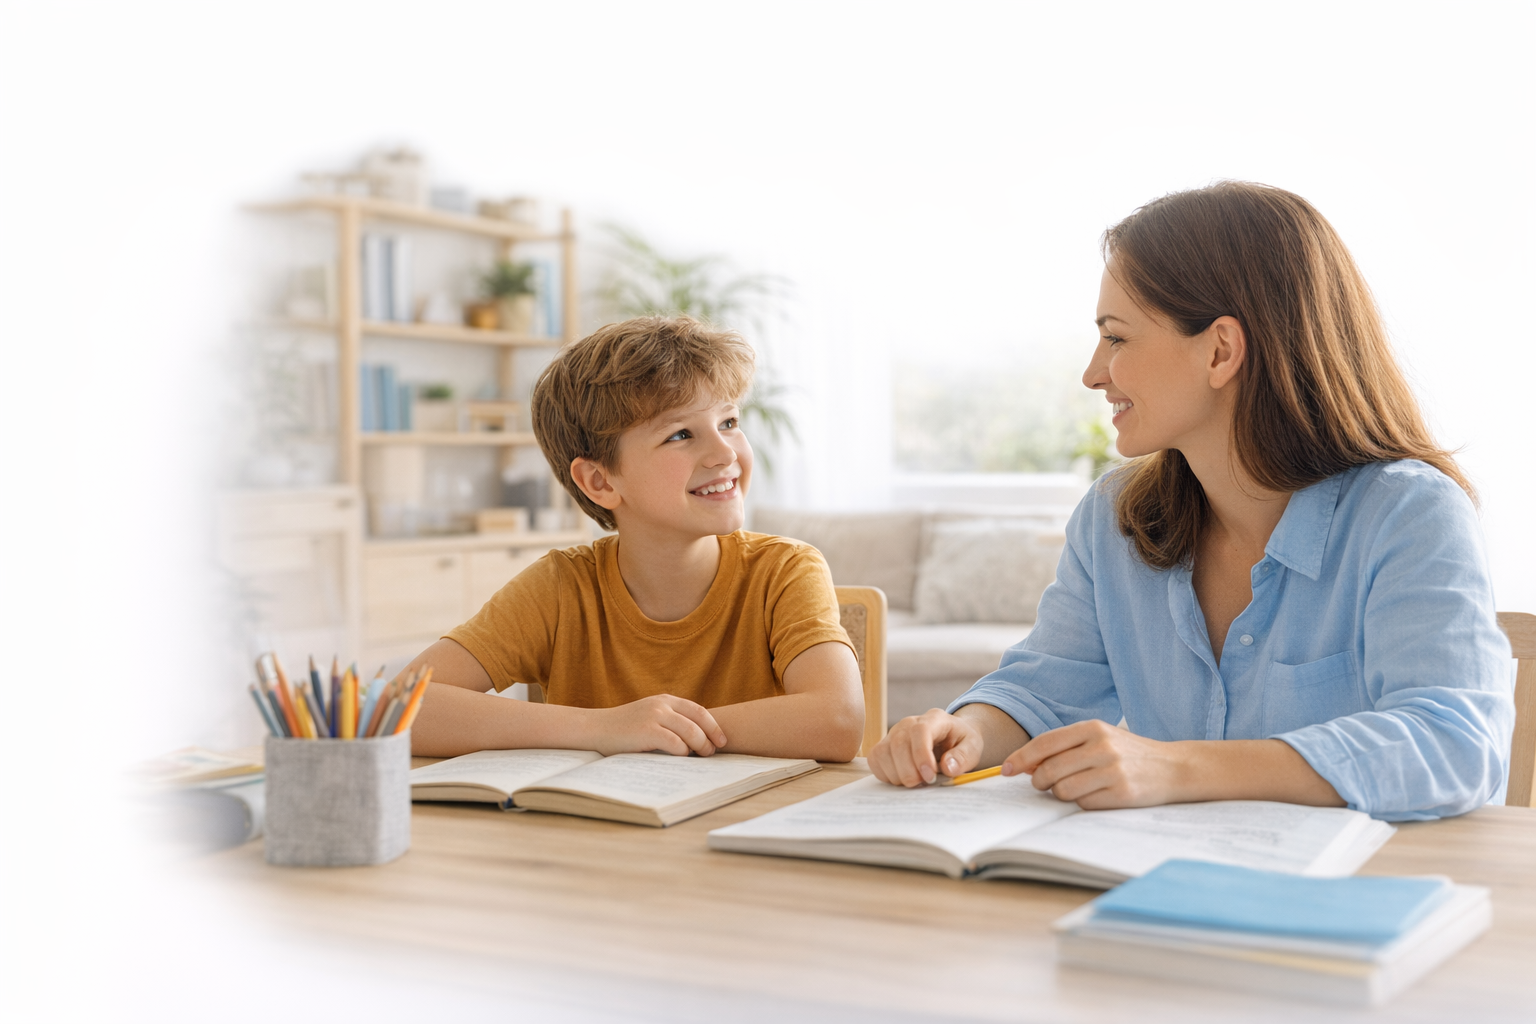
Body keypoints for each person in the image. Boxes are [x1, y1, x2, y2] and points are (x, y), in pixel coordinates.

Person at [870, 182, 1513, 820]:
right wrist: (969, 733)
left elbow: (1456, 744)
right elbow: (1044, 686)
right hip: (1162, 883)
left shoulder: (1409, 514)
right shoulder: (1112, 517)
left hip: (1360, 897)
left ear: (1220, 350)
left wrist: (1175, 766)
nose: (1094, 372)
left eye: (1117, 338)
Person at [407, 316, 864, 761]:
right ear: (600, 482)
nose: (725, 452)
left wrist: (659, 731)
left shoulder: (784, 570)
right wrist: (602, 728)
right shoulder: (561, 588)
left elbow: (837, 720)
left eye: (728, 422)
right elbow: (398, 710)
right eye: (680, 434)